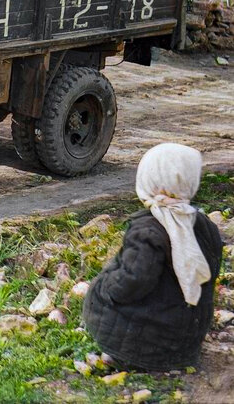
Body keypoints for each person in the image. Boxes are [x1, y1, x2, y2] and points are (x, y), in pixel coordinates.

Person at [82, 143, 223, 371]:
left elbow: (133, 280)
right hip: (187, 340)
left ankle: (124, 356)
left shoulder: (148, 231)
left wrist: (105, 287)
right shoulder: (204, 226)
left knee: (99, 296)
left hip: (148, 343)